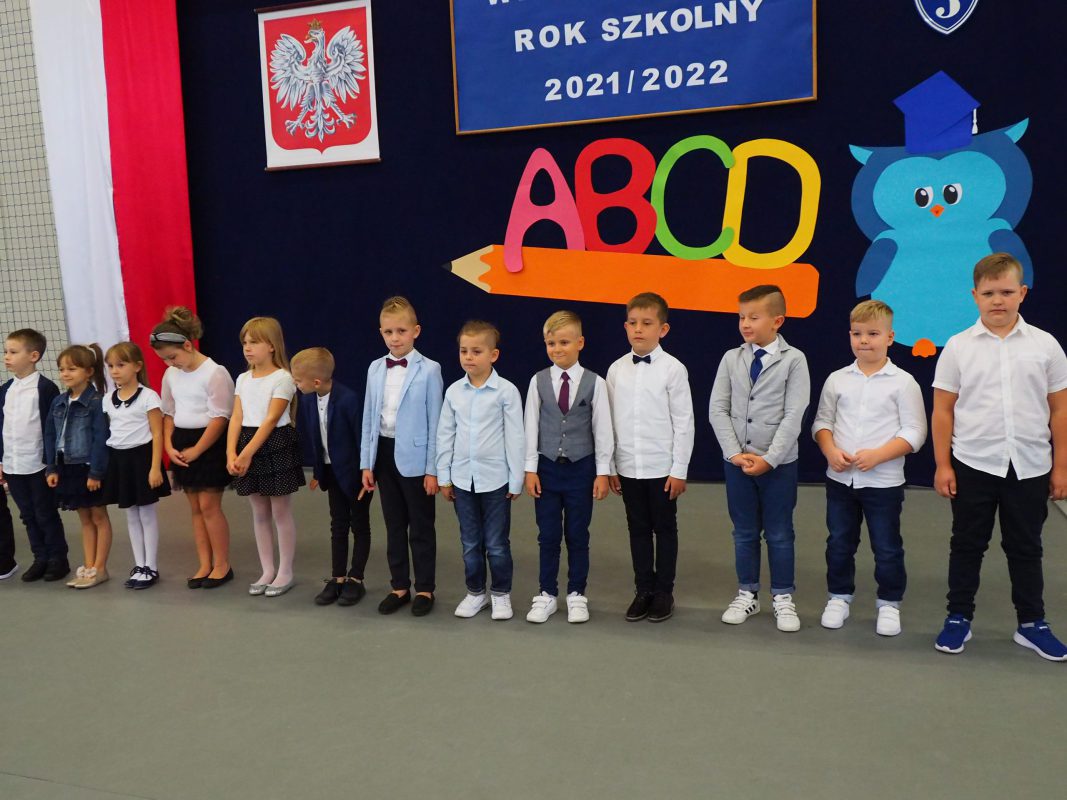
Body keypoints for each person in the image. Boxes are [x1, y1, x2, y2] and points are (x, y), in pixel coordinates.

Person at [932, 252, 1067, 661]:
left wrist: (1061, 466)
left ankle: (1032, 624)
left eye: (1007, 292)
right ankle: (958, 617)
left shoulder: (1046, 346)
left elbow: (1060, 410)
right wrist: (943, 464)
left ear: (1022, 293)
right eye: (989, 293)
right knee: (967, 544)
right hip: (973, 463)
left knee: (1026, 546)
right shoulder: (958, 347)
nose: (998, 300)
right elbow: (943, 410)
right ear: (974, 296)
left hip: (1030, 465)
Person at [811, 300, 926, 636]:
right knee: (839, 542)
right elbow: (822, 422)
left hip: (884, 483)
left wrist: (879, 455)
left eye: (873, 334)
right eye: (857, 333)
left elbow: (915, 432)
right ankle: (839, 596)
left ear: (890, 337)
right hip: (840, 481)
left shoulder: (903, 382)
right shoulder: (837, 380)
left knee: (886, 546)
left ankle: (889, 603)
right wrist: (830, 450)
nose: (864, 340)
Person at [710, 285, 810, 632]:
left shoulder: (794, 360)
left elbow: (795, 414)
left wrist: (770, 458)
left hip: (778, 465)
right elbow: (717, 409)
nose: (745, 324)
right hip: (737, 463)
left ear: (777, 321)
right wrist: (734, 453)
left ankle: (782, 596)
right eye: (741, 317)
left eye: (754, 317)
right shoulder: (731, 358)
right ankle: (747, 593)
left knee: (780, 532)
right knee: (744, 531)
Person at [606, 292, 694, 623]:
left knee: (665, 528)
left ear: (663, 329)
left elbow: (684, 422)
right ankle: (643, 589)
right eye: (632, 323)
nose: (638, 329)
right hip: (629, 466)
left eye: (646, 323)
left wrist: (679, 469)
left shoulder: (673, 369)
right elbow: (608, 422)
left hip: (662, 467)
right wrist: (611, 466)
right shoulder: (616, 370)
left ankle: (664, 592)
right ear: (625, 327)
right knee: (637, 528)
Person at [523, 310, 612, 624]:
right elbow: (531, 426)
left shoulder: (595, 383)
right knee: (547, 535)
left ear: (580, 343)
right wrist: (530, 469)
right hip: (547, 469)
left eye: (564, 342)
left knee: (577, 534)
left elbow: (602, 429)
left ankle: (576, 594)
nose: (557, 349)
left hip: (581, 470)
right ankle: (546, 593)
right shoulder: (537, 382)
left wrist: (603, 472)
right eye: (551, 343)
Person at [361, 297, 443, 617]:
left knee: (420, 525)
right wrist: (366, 463)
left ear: (416, 331)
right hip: (383, 452)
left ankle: (425, 588)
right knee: (393, 524)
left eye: (401, 331)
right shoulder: (375, 368)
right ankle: (399, 586)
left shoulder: (430, 369)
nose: (395, 338)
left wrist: (433, 469)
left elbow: (436, 421)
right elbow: (369, 417)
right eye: (388, 332)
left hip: (416, 458)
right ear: (381, 332)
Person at [437, 321, 524, 621]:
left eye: (476, 351)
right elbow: (445, 434)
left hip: (495, 480)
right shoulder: (454, 392)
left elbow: (515, 436)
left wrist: (516, 478)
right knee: (470, 542)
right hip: (462, 480)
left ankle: (500, 593)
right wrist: (444, 475)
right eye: (464, 351)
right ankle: (476, 592)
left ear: (493, 355)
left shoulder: (506, 392)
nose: (469, 357)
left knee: (497, 543)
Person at [150, 307, 235, 590]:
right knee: (196, 508)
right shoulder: (171, 375)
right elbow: (169, 413)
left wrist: (198, 449)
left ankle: (222, 564)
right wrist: (169, 446)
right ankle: (204, 563)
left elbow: (220, 417)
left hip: (208, 443)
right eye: (164, 360)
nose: (169, 363)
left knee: (209, 506)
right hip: (183, 442)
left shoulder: (215, 372)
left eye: (172, 357)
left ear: (188, 345)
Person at [227, 317, 305, 598]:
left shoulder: (282, 378)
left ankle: (285, 571)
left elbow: (271, 419)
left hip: (274, 443)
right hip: (246, 442)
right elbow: (237, 416)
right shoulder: (243, 379)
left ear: (272, 346)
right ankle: (267, 569)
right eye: (245, 343)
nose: (247, 348)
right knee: (259, 512)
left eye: (255, 342)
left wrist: (246, 453)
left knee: (280, 511)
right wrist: (231, 452)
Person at [292, 347, 372, 607]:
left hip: (355, 476)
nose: (296, 385)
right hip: (331, 473)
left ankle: (356, 578)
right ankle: (338, 577)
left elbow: (361, 439)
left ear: (316, 381)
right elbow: (317, 440)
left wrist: (367, 473)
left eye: (298, 380)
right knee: (338, 525)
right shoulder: (307, 401)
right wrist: (319, 471)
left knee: (359, 525)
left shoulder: (349, 400)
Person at [100, 342, 171, 589]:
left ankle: (151, 567)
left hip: (142, 459)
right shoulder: (108, 399)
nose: (115, 371)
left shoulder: (148, 397)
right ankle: (139, 565)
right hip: (119, 460)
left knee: (147, 514)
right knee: (131, 514)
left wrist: (155, 467)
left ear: (137, 366)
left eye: (121, 365)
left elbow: (157, 434)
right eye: (110, 366)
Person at [43, 344, 113, 589]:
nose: (65, 373)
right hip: (67, 467)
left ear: (89, 371)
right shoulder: (58, 401)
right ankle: (88, 565)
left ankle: (100, 568)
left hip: (88, 467)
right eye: (62, 369)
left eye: (72, 369)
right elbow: (50, 435)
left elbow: (101, 439)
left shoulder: (96, 402)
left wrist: (96, 472)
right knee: (84, 518)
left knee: (98, 516)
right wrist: (51, 467)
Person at [0, 328, 66, 582]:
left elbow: (52, 429)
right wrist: (1, 460)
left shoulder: (45, 388)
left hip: (38, 464)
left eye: (13, 352)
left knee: (45, 513)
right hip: (13, 465)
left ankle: (57, 559)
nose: (6, 357)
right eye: (6, 351)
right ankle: (40, 558)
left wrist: (52, 464)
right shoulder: (6, 390)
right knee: (27, 515)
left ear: (34, 356)